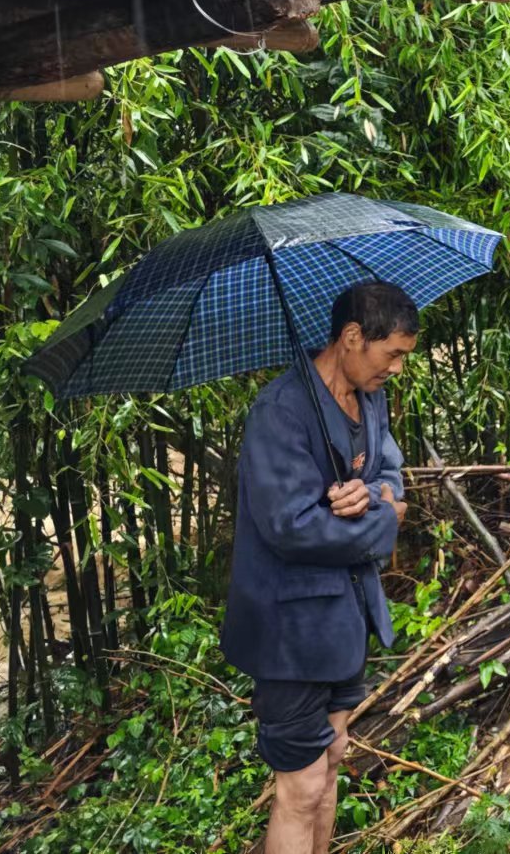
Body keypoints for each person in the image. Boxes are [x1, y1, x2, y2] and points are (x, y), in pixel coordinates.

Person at [222, 280, 417, 854]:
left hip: (344, 619)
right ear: (353, 337)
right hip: (291, 632)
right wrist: (385, 521)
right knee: (302, 786)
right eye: (393, 354)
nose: (397, 369)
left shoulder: (370, 397)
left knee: (331, 762)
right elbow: (292, 526)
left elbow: (391, 475)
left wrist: (371, 494)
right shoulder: (280, 412)